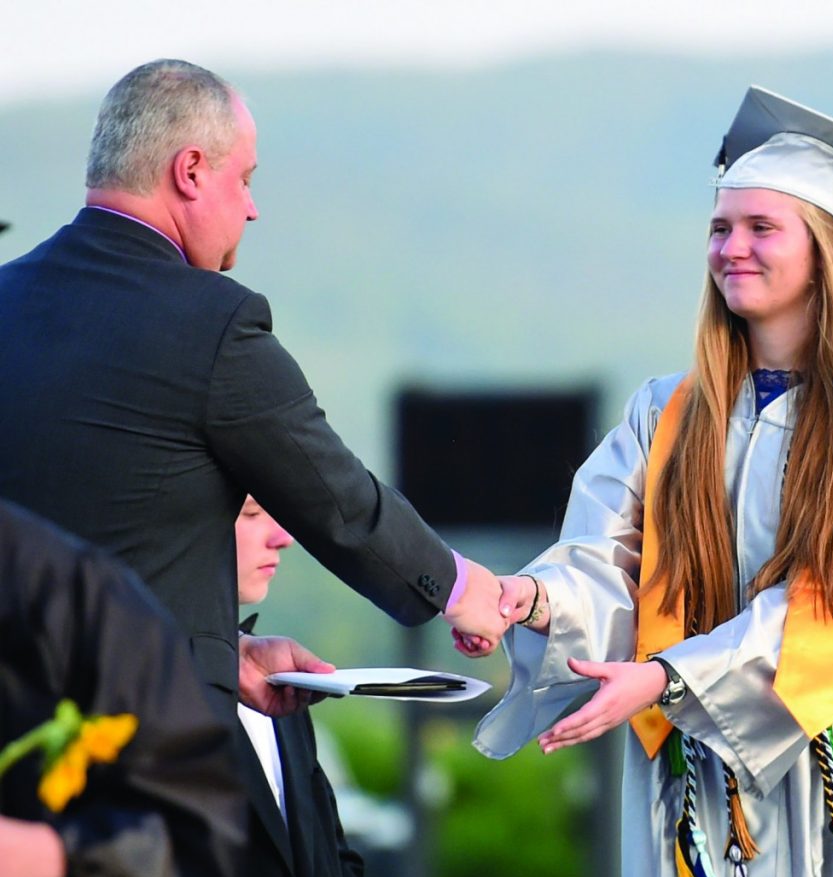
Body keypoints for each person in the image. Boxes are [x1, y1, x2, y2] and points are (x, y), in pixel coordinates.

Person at [473, 87, 833, 877]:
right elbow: (603, 562)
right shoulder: (665, 411)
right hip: (700, 777)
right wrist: (527, 598)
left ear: (824, 249)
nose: (732, 246)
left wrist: (666, 678)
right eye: (720, 227)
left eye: (761, 227)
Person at [0, 59, 507, 725]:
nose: (252, 206)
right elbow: (338, 500)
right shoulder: (210, 322)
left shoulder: (8, 298)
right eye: (244, 179)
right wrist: (463, 588)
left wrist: (224, 649)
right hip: (143, 751)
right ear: (190, 171)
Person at [0, 498, 246, 877]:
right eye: (250, 515)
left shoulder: (67, 595)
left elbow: (196, 841)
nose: (282, 539)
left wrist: (46, 855)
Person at [233, 495, 364, 877]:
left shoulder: (280, 686)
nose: (283, 537)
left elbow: (333, 855)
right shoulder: (147, 684)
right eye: (252, 513)